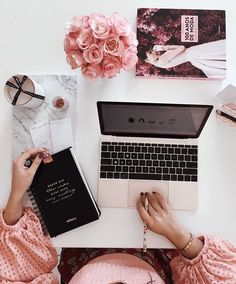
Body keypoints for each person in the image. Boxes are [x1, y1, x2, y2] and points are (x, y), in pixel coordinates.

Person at [1, 148, 236, 283]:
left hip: (81, 243)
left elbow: (14, 271)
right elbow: (226, 277)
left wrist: (17, 194)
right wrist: (176, 234)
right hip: (159, 244)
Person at [145, 39, 226, 79]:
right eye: (150, 52)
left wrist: (165, 48)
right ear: (147, 60)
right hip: (193, 54)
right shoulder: (161, 61)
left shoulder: (160, 61)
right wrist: (164, 47)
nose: (153, 51)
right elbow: (182, 47)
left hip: (192, 55)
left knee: (215, 55)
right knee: (216, 52)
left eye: (151, 50)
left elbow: (181, 48)